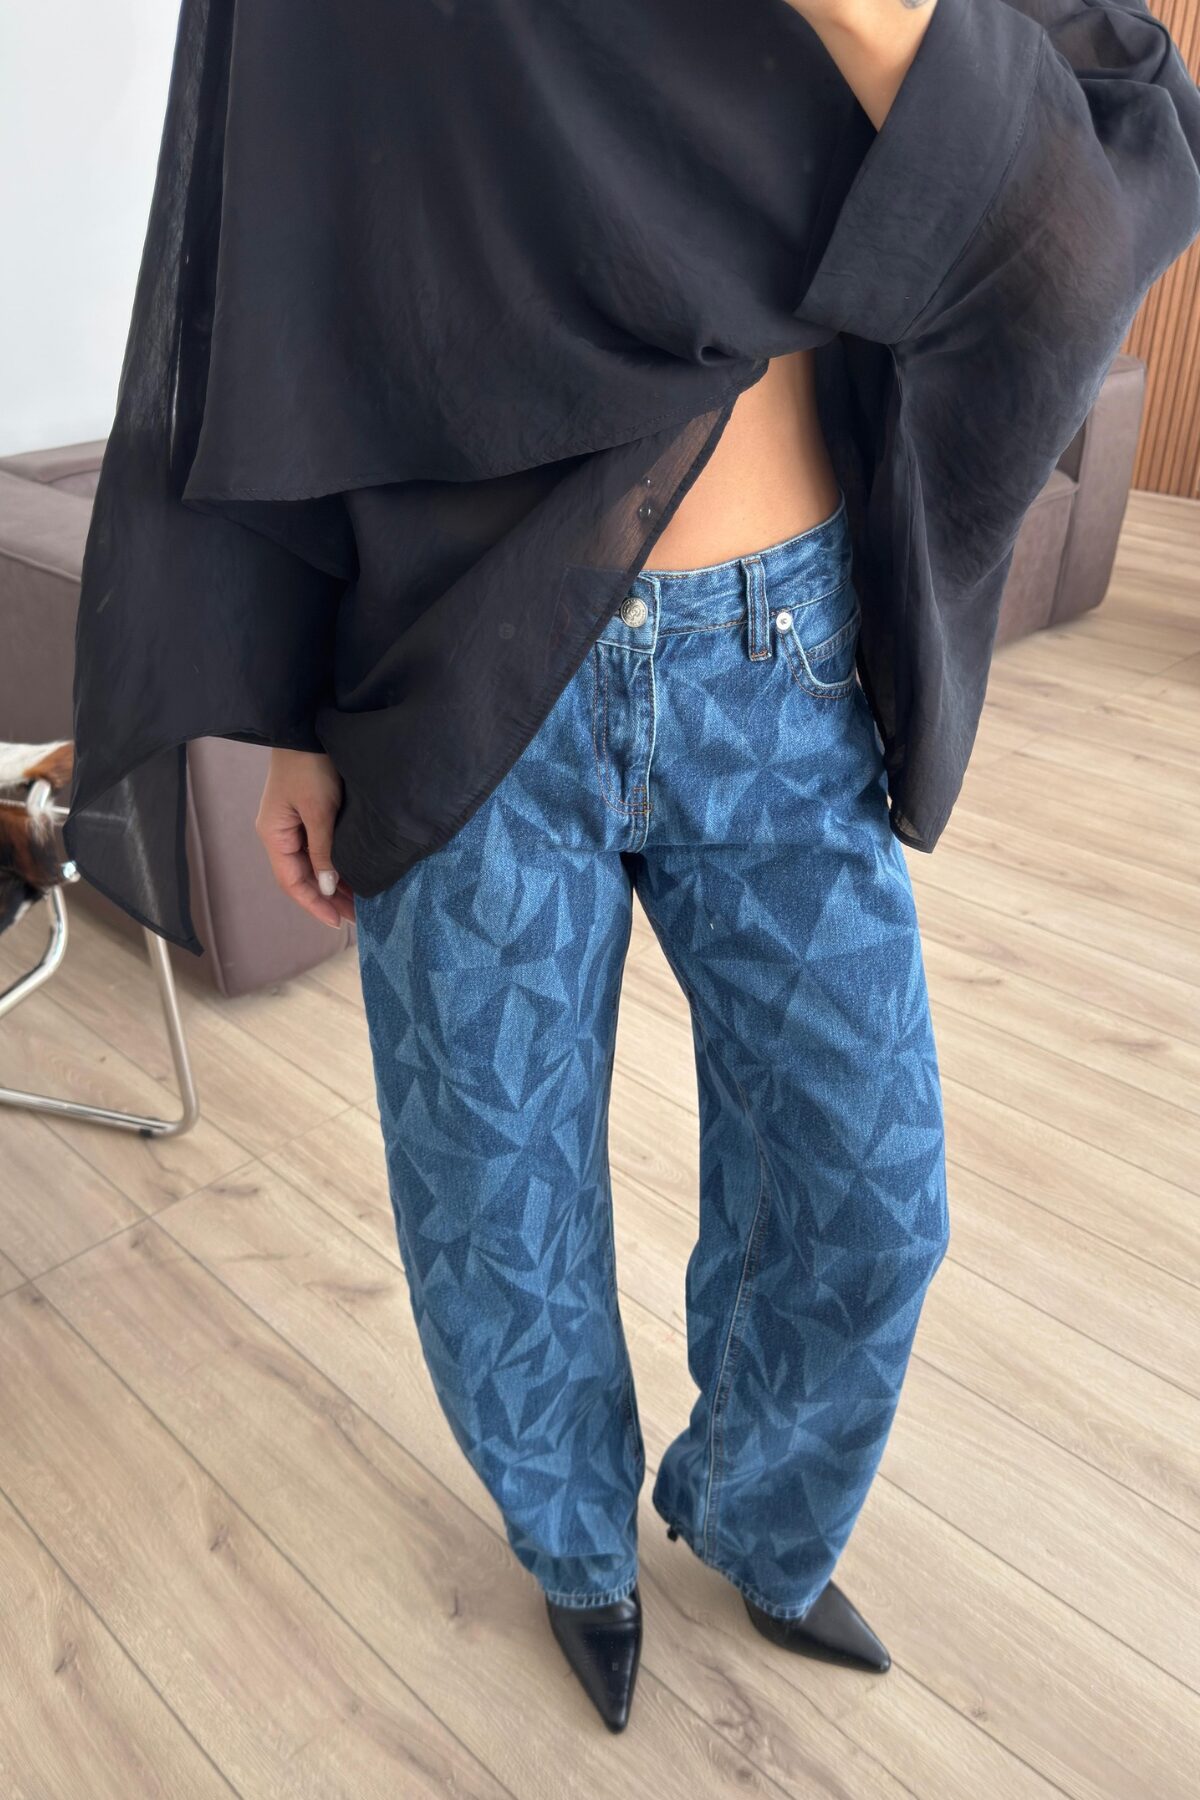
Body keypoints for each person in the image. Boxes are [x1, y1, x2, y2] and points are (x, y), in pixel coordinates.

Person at [64, 0, 1200, 1737]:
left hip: (783, 660)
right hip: (455, 673)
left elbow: (1067, 197)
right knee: (492, 1206)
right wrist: (294, 711)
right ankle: (576, 1546)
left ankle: (757, 1516)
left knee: (869, 1196)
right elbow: (294, 260)